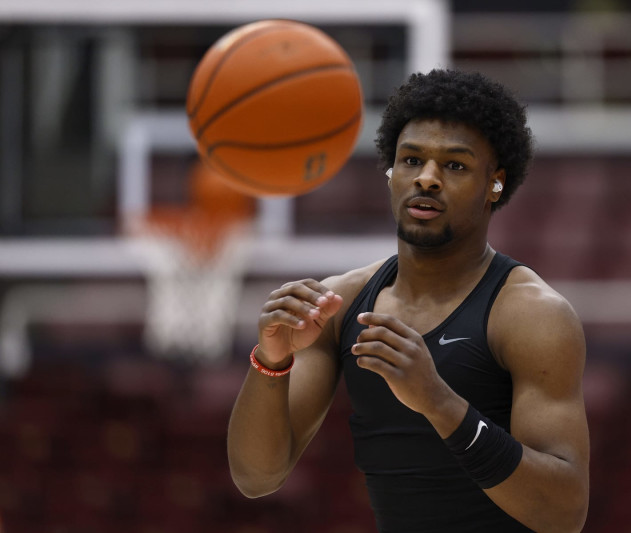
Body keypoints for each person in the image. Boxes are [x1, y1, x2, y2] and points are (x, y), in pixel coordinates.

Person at [228, 69, 590, 533]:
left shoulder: (532, 315)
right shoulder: (342, 303)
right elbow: (256, 476)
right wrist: (271, 360)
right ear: (390, 172)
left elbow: (564, 513)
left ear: (494, 184)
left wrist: (438, 402)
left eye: (454, 165)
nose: (427, 179)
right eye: (410, 160)